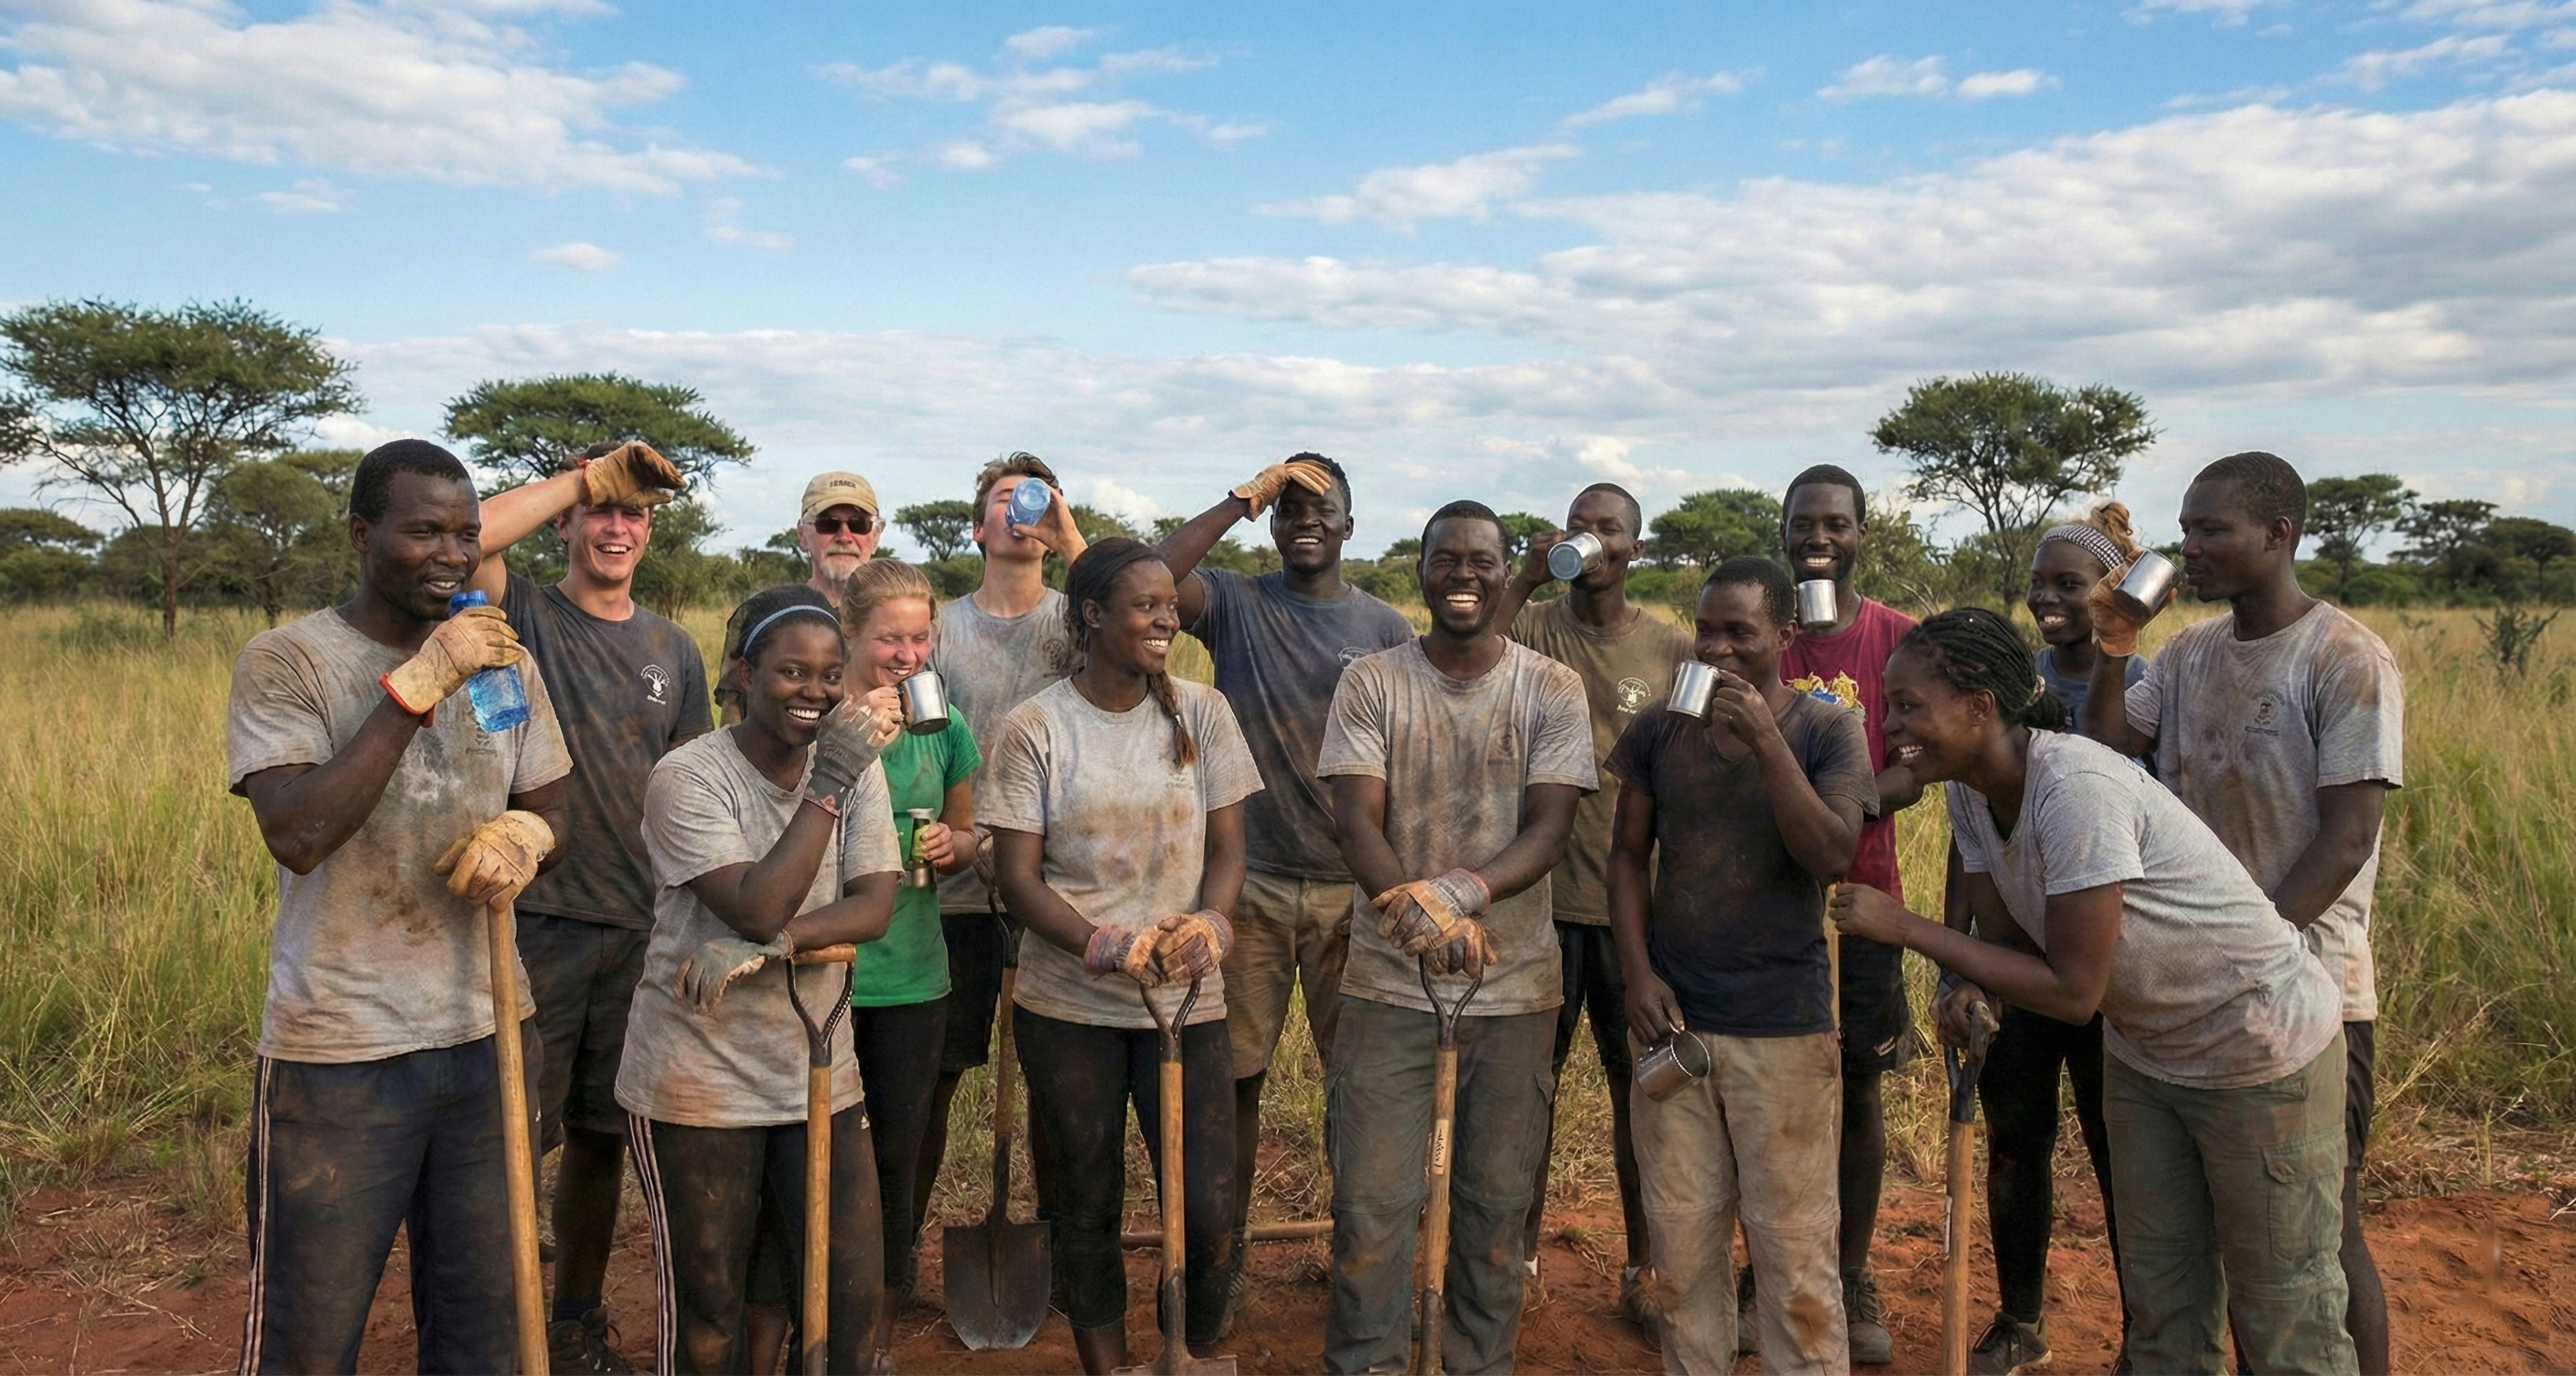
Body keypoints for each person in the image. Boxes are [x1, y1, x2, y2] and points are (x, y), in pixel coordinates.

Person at [1831, 607, 2356, 1376]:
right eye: (1889, 704)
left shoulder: (2073, 787)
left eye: (1910, 705)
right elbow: (2003, 937)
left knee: (2284, 1310)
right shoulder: (1969, 791)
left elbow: (2076, 992)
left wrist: (1904, 927)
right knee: (2164, 1303)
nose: (1891, 723)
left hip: (2257, 1047)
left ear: (1981, 707)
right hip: (2151, 1051)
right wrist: (1969, 980)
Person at [227, 438, 573, 1373]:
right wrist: (416, 686)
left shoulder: (503, 660)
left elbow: (550, 803)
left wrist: (524, 841)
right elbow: (298, 832)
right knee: (311, 1330)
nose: (452, 554)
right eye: (423, 531)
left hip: (488, 1030)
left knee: (486, 1326)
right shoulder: (288, 660)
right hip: (340, 1050)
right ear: (362, 533)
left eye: (465, 533)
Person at [2081, 452, 2402, 1376]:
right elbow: (2105, 752)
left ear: (2277, 534)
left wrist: (2242, 953)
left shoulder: (2342, 657)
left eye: (2209, 529)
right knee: (2180, 1258)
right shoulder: (2184, 652)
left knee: (2317, 1248)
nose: (2190, 547)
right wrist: (2112, 643)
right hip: (2183, 1006)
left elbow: (2343, 840)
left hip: (2305, 998)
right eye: (2183, 529)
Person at [1315, 500, 1594, 1375]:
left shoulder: (1549, 688)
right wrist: (1415, 915)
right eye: (1445, 560)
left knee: (1494, 1206)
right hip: (1387, 985)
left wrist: (1460, 894)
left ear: (1507, 569)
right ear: (1423, 569)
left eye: (1481, 560)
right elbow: (1355, 820)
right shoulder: (1371, 681)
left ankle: (1480, 1362)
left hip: (1513, 990)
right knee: (1371, 1205)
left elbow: (1550, 829)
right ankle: (1366, 1361)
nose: (1462, 576)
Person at [983, 538, 1264, 1374]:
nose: (1164, 621)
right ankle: (1108, 1366)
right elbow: (1016, 877)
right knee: (1086, 1198)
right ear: (1093, 616)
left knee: (1208, 1202)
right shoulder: (1036, 726)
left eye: (1168, 607)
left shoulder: (1204, 713)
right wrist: (1102, 944)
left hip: (1187, 998)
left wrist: (1213, 925)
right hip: (1071, 1009)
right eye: (1144, 607)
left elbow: (1228, 850)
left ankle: (1195, 1353)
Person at [457, 438, 706, 1373]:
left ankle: (572, 1318)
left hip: (640, 929)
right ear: (566, 520)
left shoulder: (671, 646)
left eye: (632, 512)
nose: (615, 526)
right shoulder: (521, 611)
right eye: (601, 509)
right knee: (511, 1134)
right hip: (534, 921)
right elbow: (469, 533)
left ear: (649, 532)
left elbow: (690, 788)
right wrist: (583, 473)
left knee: (603, 1138)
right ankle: (494, 1320)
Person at [1151, 451, 1414, 1325]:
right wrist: (1238, 495)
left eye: (1322, 508)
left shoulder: (1383, 629)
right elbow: (1153, 580)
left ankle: (1362, 1270)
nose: (1305, 521)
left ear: (1349, 524)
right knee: (1233, 1084)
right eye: (1288, 508)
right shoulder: (1236, 602)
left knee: (1365, 1086)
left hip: (1356, 893)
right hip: (1249, 883)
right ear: (1272, 521)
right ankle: (1220, 1270)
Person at [619, 585, 903, 1374]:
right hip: (698, 1079)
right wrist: (826, 789)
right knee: (711, 1309)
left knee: (846, 1296)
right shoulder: (690, 777)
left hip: (818, 1068)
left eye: (828, 675)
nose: (813, 693)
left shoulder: (854, 766)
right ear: (743, 675)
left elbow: (873, 905)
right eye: (789, 673)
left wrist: (781, 947)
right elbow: (753, 904)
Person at [1608, 556, 1875, 1374]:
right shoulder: (1661, 727)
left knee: (1794, 1255)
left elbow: (1830, 854)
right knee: (1684, 1253)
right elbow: (1626, 857)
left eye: (1740, 633)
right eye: (1706, 630)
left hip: (1784, 1030)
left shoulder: (1826, 728)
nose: (1716, 650)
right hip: (1677, 1025)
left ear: (1786, 636)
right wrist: (1638, 975)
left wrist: (1765, 742)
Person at [1949, 500, 2150, 1376]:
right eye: (2039, 586)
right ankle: (2021, 1319)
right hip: (2018, 954)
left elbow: (2101, 761)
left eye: (2068, 585)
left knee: (2126, 1157)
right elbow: (1974, 831)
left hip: (2111, 960)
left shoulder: (2145, 683)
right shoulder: (2009, 681)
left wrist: (2111, 651)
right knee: (2016, 1139)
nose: (2047, 601)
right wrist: (1960, 954)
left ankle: (2150, 1326)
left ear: (2112, 590)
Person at [1496, 483, 1690, 1322]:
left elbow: (1692, 766)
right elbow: (1470, 654)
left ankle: (1648, 1266)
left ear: (1633, 551)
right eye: (1580, 524)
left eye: (1608, 528)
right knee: (1526, 1090)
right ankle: (1516, 1255)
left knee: (1640, 1089)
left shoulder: (1672, 647)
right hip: (1536, 901)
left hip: (1632, 911)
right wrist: (1523, 576)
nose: (1592, 538)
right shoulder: (1534, 623)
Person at [1766, 463, 1923, 1365]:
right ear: (1782, 530)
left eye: (1833, 523)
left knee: (1855, 1089)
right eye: (1801, 524)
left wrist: (1838, 809)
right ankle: (1776, 1264)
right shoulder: (1757, 636)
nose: (1816, 539)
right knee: (1764, 1089)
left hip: (1859, 899)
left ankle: (1851, 1268)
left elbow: (1916, 760)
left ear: (1861, 531)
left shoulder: (1896, 642)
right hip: (1760, 908)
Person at [918, 452, 1087, 1245]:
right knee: (936, 1074)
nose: (1019, 516)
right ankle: (898, 1242)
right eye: (1003, 502)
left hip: (1057, 885)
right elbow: (924, 739)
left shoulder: (1074, 617)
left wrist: (1068, 526)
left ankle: (1058, 1244)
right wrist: (959, 834)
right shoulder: (942, 628)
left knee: (1059, 1080)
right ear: (977, 526)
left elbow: (1120, 601)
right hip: (954, 882)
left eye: (1036, 505)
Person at [836, 558, 983, 1352]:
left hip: (913, 978)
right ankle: (802, 1321)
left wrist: (952, 844)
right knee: (811, 1157)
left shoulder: (945, 725)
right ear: (850, 633)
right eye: (889, 637)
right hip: (827, 975)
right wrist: (848, 737)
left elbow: (967, 833)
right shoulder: (815, 712)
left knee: (897, 1160)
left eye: (919, 637)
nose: (906, 653)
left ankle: (871, 1339)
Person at [714, 470, 884, 724]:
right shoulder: (761, 614)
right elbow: (734, 715)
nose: (844, 536)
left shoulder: (901, 617)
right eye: (828, 523)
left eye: (859, 524)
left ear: (876, 534)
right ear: (803, 534)